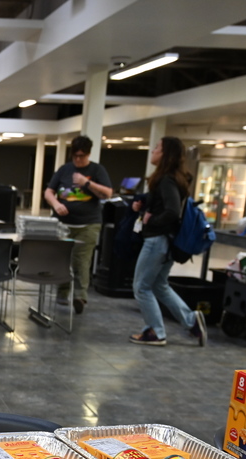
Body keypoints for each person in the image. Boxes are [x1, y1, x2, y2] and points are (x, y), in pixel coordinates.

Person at [128, 136, 206, 347]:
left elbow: (171, 211)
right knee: (160, 286)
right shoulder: (171, 179)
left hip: (157, 241)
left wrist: (151, 219)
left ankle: (155, 331)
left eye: (157, 148)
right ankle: (192, 322)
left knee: (141, 287)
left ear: (166, 154)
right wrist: (144, 205)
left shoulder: (166, 179)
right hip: (166, 242)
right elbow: (165, 204)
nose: (153, 151)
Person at [43, 135, 112, 314]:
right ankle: (62, 291)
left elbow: (107, 193)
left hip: (88, 224)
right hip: (64, 224)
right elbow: (49, 191)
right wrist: (56, 204)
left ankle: (80, 296)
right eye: (75, 156)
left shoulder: (97, 170)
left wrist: (86, 183)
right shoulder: (64, 170)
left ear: (88, 154)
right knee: (63, 258)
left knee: (81, 260)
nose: (78, 159)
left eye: (82, 156)